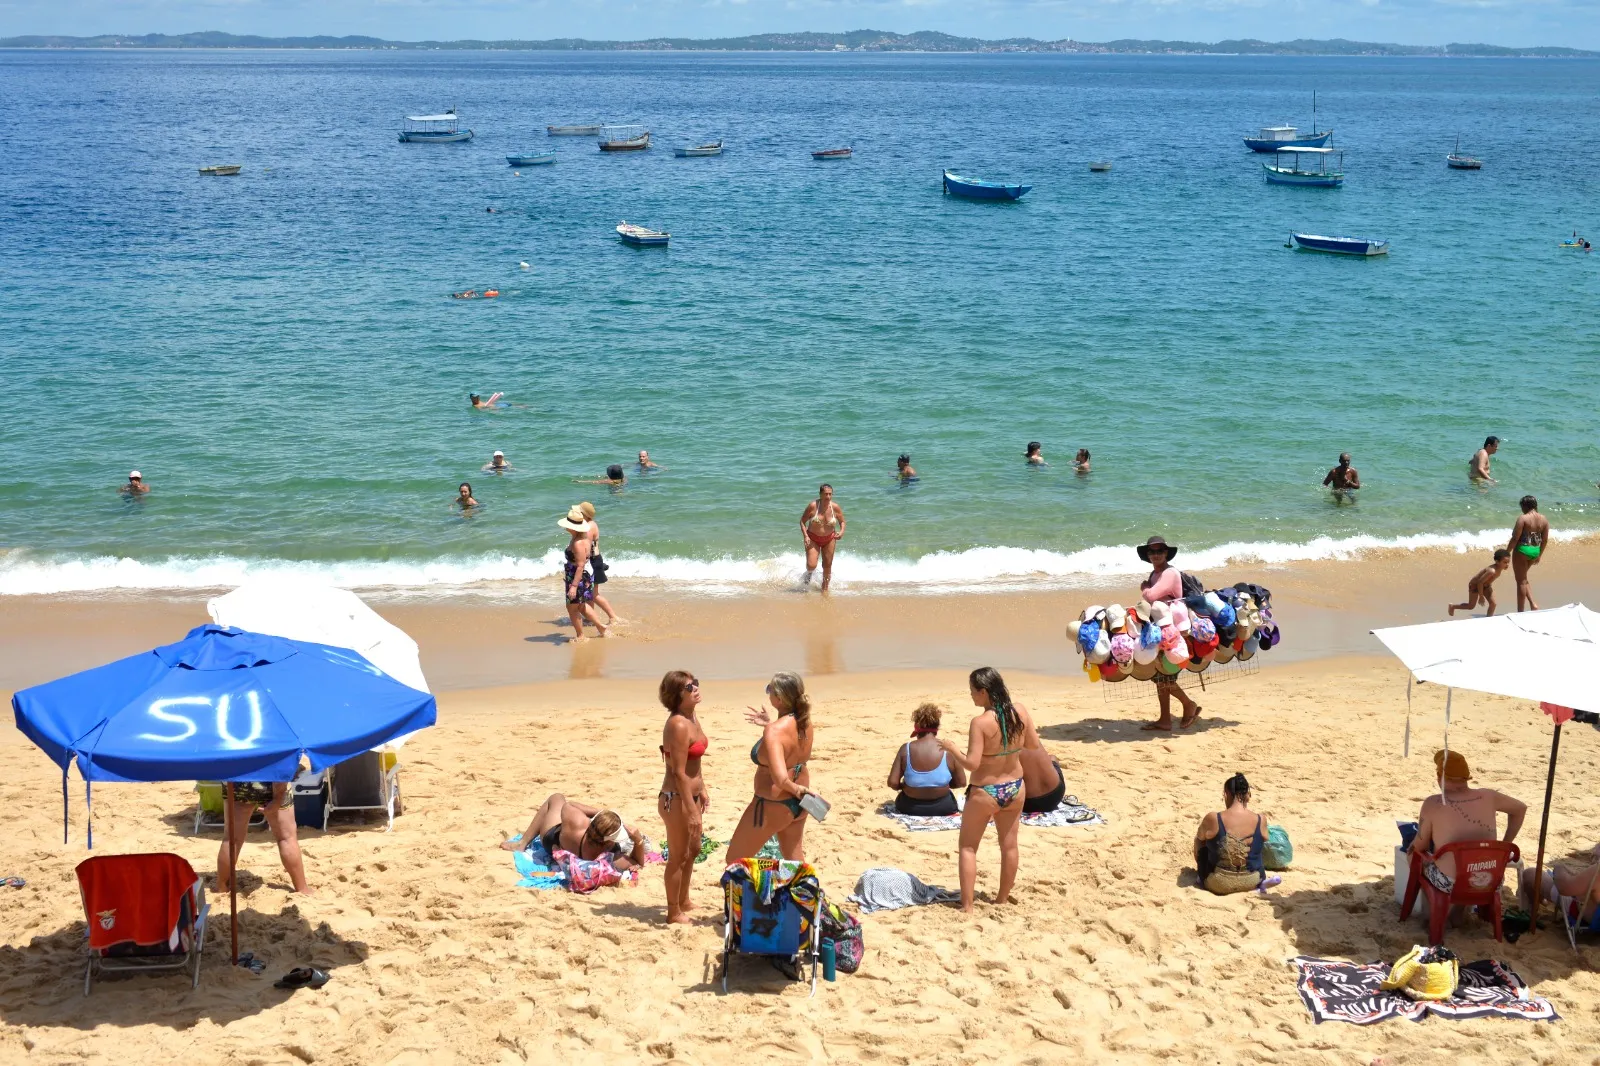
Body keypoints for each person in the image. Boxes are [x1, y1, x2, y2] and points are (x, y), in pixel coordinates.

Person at [935, 667, 1042, 913]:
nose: (971, 695)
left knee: (968, 847)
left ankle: (968, 906)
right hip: (1015, 787)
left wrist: (952, 748)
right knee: (1009, 845)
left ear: (984, 692)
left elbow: (972, 763)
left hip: (986, 790)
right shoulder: (1021, 711)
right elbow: (1033, 744)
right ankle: (1002, 900)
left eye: (973, 692)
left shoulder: (980, 723)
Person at [1408, 750, 1526, 913]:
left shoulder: (1433, 803)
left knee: (1413, 855)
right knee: (1467, 863)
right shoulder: (1488, 796)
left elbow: (1420, 845)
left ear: (1439, 776)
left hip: (1451, 883)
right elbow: (1520, 809)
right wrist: (1505, 845)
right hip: (1491, 880)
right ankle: (1460, 912)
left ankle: (1439, 914)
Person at [725, 672, 815, 864]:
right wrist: (770, 723)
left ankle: (752, 894)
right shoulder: (804, 721)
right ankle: (807, 893)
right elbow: (790, 749)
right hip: (801, 804)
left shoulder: (775, 731)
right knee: (795, 861)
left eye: (770, 690)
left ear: (780, 698)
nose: (768, 694)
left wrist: (795, 789)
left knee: (735, 860)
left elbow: (781, 779)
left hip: (773, 803)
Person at [657, 670, 709, 924]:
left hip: (692, 795)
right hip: (676, 798)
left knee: (693, 848)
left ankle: (684, 899)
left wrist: (703, 788)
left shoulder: (692, 717)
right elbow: (677, 772)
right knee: (678, 855)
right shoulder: (677, 724)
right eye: (690, 687)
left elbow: (694, 762)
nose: (696, 689)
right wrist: (690, 809)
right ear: (677, 695)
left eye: (696, 683)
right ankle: (672, 911)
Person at [1137, 536, 1201, 731]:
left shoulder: (1170, 573)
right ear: (1148, 555)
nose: (1155, 555)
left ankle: (1188, 704)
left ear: (1166, 553)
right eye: (1152, 552)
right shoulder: (1155, 574)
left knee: (1166, 673)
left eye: (1159, 551)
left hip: (1176, 630)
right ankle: (1165, 719)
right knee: (1160, 675)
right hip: (1163, 626)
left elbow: (1151, 596)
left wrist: (1144, 588)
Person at [500, 794, 645, 869]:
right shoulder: (609, 854)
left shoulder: (578, 823)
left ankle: (522, 843)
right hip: (570, 852)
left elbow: (569, 805)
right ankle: (522, 843)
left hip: (551, 842)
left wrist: (600, 813)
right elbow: (638, 862)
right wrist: (638, 840)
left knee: (556, 798)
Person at [216, 782, 312, 896]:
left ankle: (222, 887)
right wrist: (278, 798)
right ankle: (302, 888)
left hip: (238, 777)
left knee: (232, 839)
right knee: (286, 838)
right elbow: (283, 766)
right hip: (271, 780)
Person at [1193, 773, 1281, 895]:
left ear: (1226, 794)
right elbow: (1265, 839)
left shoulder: (1213, 818)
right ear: (1248, 796)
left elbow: (1200, 838)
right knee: (1259, 843)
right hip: (1253, 881)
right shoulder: (1261, 819)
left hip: (1217, 883)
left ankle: (1201, 877)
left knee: (1200, 839)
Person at [886, 703, 965, 815]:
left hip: (909, 807)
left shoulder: (906, 749)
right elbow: (962, 782)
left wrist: (905, 786)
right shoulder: (948, 750)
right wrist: (942, 785)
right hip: (944, 806)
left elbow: (892, 782)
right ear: (937, 727)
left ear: (917, 727)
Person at [558, 506, 608, 640]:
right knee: (580, 606)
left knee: (572, 608)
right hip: (575, 576)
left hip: (576, 577)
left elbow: (580, 566)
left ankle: (581, 636)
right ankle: (600, 626)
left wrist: (573, 586)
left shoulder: (578, 543)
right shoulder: (577, 538)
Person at [578, 501, 623, 625]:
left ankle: (613, 617)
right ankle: (589, 618)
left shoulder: (588, 527)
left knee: (594, 594)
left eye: (579, 512)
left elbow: (586, 548)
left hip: (592, 561)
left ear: (585, 515)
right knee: (589, 593)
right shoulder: (591, 523)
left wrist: (581, 563)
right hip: (594, 560)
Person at [800, 484, 846, 592]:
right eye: (825, 494)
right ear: (820, 494)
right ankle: (809, 574)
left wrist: (842, 532)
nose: (828, 497)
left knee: (827, 565)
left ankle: (825, 589)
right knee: (811, 565)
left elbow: (842, 521)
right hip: (813, 539)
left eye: (830, 494)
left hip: (829, 539)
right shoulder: (813, 506)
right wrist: (806, 536)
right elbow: (802, 521)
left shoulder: (835, 507)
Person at [1507, 495, 1549, 612]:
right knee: (1523, 578)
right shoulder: (1544, 519)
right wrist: (1539, 555)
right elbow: (1545, 540)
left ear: (1525, 506)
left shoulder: (1523, 518)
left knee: (1520, 581)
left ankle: (1520, 612)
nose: (1522, 510)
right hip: (1535, 551)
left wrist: (1506, 552)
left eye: (1522, 507)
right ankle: (1533, 604)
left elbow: (1515, 538)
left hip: (1522, 550)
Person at [1448, 549, 1511, 616]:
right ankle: (1453, 606)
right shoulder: (1491, 571)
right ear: (1497, 562)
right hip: (1475, 585)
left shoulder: (1500, 568)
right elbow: (1480, 582)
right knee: (1471, 606)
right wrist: (1481, 596)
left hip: (1486, 585)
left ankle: (1489, 619)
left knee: (1493, 604)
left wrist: (1487, 586)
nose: (1507, 564)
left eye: (1508, 562)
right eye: (1505, 562)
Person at [1020, 744, 1066, 814]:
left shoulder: (1003, 745)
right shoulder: (1029, 733)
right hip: (1056, 795)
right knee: (1053, 758)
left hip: (1027, 803)